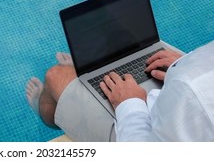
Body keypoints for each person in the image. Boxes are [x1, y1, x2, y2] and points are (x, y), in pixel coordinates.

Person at [25, 41, 214, 141]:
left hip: (140, 132)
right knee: (135, 49)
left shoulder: (193, 93)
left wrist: (130, 104)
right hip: (181, 95)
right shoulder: (192, 89)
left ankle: (48, 113)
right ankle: (85, 73)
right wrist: (189, 64)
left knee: (55, 76)